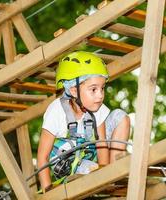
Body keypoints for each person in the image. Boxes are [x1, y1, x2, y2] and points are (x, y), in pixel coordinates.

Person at [37, 51, 130, 192]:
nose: (100, 95)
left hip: (90, 156)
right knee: (89, 169)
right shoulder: (56, 112)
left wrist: (104, 170)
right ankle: (100, 172)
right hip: (70, 164)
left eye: (102, 88)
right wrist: (47, 190)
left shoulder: (98, 109)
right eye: (93, 89)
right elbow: (42, 156)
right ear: (74, 91)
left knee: (121, 117)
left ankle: (115, 166)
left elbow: (101, 143)